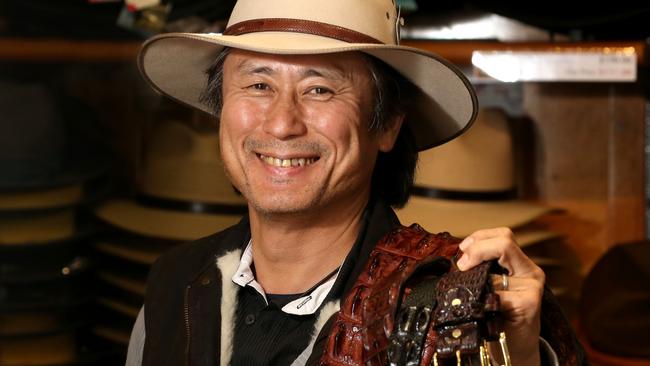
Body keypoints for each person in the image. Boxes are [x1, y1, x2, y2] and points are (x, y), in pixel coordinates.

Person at [127, 0, 587, 365]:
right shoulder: (176, 283)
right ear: (220, 110)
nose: (282, 124)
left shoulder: (448, 305)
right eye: (258, 85)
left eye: (320, 89)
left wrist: (522, 358)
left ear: (386, 125)